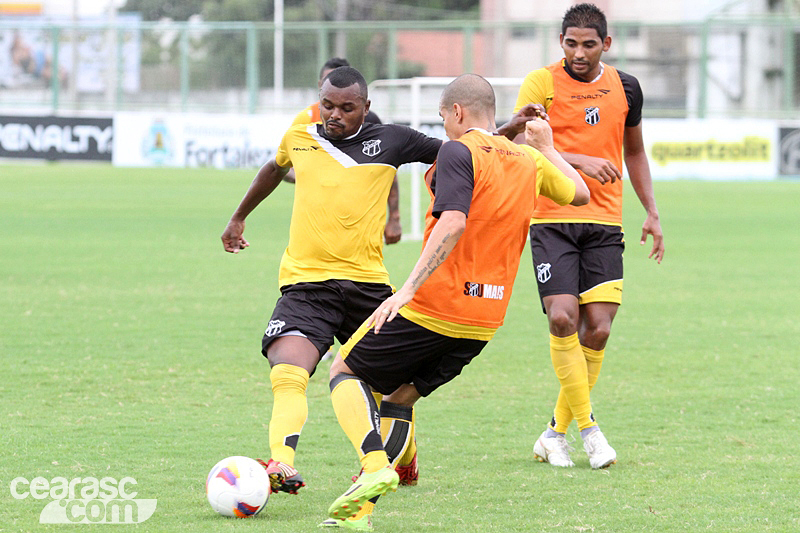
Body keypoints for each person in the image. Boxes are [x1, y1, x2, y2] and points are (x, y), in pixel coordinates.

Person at [323, 74, 590, 528]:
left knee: (344, 371)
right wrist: (547, 148)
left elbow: (452, 222)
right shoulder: (528, 159)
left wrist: (407, 290)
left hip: (436, 305)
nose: (444, 126)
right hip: (484, 320)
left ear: (457, 112)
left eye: (443, 116)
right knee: (400, 398)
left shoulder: (457, 151)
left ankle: (373, 466)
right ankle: (359, 513)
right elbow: (580, 193)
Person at [220, 66, 444, 498]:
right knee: (288, 370)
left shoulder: (393, 139)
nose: (334, 114)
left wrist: (509, 133)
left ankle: (405, 453)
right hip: (306, 286)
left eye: (346, 107)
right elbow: (273, 168)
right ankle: (281, 462)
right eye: (327, 105)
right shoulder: (300, 136)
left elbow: (461, 152)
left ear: (366, 107)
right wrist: (238, 216)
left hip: (368, 287)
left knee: (389, 390)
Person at [513, 3, 665, 469]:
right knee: (563, 318)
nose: (578, 53)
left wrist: (652, 211)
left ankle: (553, 434)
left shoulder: (626, 87)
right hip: (550, 216)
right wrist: (578, 162)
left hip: (604, 223)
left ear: (606, 44)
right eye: (570, 44)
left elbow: (634, 152)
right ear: (561, 42)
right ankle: (590, 431)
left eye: (589, 44)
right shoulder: (541, 82)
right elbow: (520, 143)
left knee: (598, 328)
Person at [287, 57, 402, 245]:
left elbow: (389, 169)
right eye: (330, 81)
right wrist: (310, 175)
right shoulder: (305, 120)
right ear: (320, 85)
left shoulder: (370, 121)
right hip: (316, 225)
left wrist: (394, 217)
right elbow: (282, 167)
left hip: (363, 224)